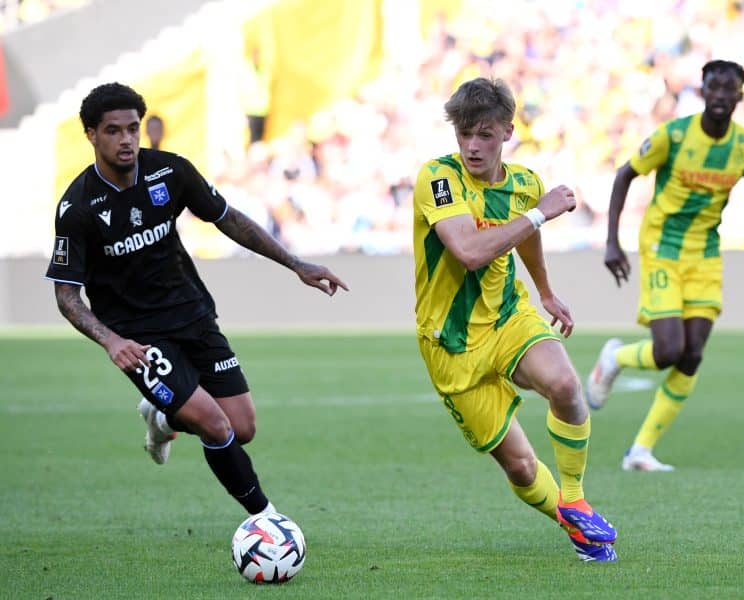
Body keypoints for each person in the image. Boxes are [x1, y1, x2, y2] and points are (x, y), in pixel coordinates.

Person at [44, 82, 349, 517]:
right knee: (214, 424)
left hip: (193, 315)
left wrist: (296, 264)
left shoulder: (170, 172)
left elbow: (228, 219)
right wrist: (112, 341)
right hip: (139, 337)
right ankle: (268, 520)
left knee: (242, 427)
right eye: (113, 131)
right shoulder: (77, 208)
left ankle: (163, 418)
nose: (126, 139)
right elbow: (66, 296)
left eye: (132, 128)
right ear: (91, 134)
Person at [412, 77, 617, 562]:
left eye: (484, 134)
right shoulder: (439, 178)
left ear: (507, 131)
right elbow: (468, 252)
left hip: (507, 316)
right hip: (451, 344)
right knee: (522, 468)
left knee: (565, 384)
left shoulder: (525, 184)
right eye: (464, 134)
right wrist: (540, 215)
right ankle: (575, 527)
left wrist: (544, 291)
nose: (472, 146)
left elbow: (525, 236)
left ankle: (575, 498)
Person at [586, 60, 744, 472]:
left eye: (728, 89)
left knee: (692, 354)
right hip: (663, 246)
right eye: (713, 87)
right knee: (669, 351)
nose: (720, 95)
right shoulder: (672, 136)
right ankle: (615, 358)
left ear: (740, 96)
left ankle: (640, 451)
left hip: (705, 252)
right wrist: (612, 241)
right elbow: (623, 176)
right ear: (702, 91)